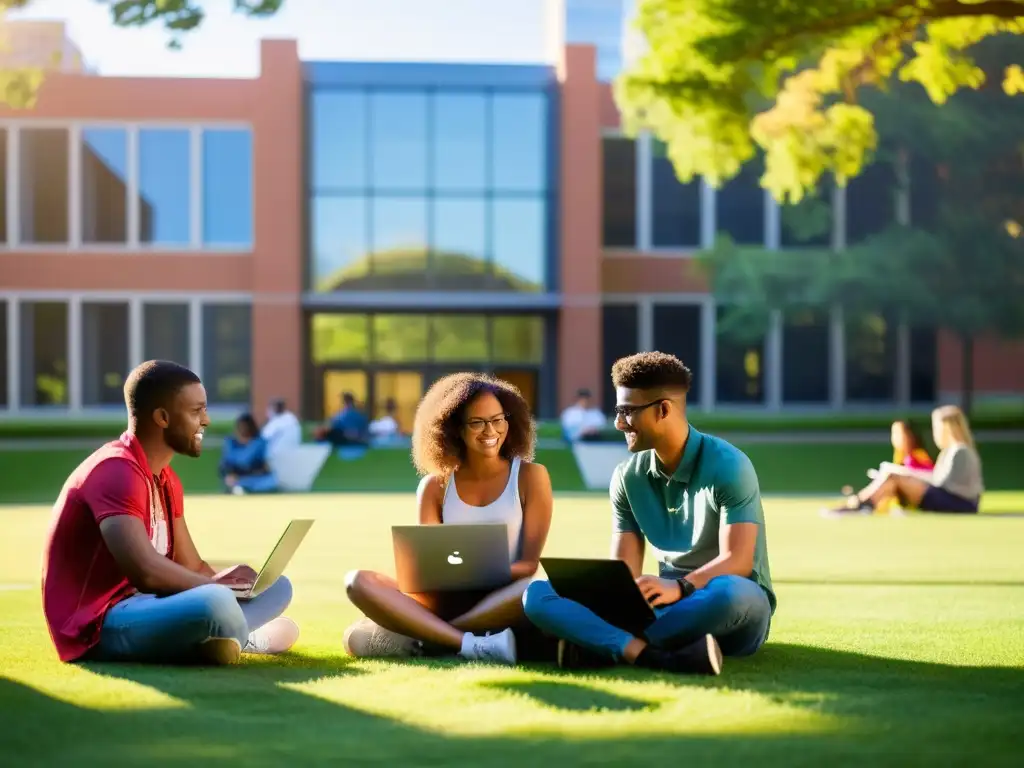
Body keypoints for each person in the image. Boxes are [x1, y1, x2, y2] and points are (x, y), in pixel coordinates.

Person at [523, 351, 776, 674]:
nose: (618, 423)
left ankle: (601, 643)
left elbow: (738, 561)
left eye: (627, 411)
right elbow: (624, 573)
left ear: (663, 410)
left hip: (730, 607)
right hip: (659, 607)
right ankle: (650, 655)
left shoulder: (729, 465)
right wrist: (610, 595)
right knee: (537, 594)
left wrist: (681, 587)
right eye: (618, 411)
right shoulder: (627, 477)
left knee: (728, 593)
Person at [41, 360, 299, 665]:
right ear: (163, 417)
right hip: (98, 624)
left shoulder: (165, 478)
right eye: (196, 411)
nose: (206, 420)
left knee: (278, 587)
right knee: (214, 602)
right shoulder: (116, 471)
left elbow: (192, 565)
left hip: (147, 606)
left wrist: (230, 579)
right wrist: (218, 589)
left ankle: (222, 639)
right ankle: (240, 638)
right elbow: (146, 572)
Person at [342, 373, 554, 666]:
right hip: (443, 599)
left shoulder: (531, 477)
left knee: (534, 590)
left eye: (497, 419)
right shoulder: (435, 486)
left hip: (504, 597)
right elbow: (429, 569)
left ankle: (435, 636)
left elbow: (529, 565)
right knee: (357, 584)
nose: (490, 430)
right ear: (453, 429)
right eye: (477, 422)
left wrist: (478, 572)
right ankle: (469, 643)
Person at [828, 405, 984, 515]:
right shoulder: (952, 451)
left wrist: (908, 474)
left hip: (959, 504)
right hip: (955, 500)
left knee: (894, 476)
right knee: (893, 477)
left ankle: (860, 505)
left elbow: (943, 483)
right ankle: (863, 504)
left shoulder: (960, 451)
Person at [840, 420, 934, 508]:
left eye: (900, 434)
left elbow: (929, 478)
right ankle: (860, 502)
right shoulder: (900, 456)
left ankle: (860, 503)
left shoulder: (918, 456)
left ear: (910, 436)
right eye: (894, 434)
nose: (897, 438)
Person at [220, 412, 278, 495]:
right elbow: (225, 463)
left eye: (245, 426)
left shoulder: (259, 442)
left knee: (270, 482)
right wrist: (230, 474)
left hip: (255, 476)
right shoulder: (231, 442)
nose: (243, 429)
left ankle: (242, 489)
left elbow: (261, 464)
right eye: (241, 426)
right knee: (232, 482)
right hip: (235, 477)